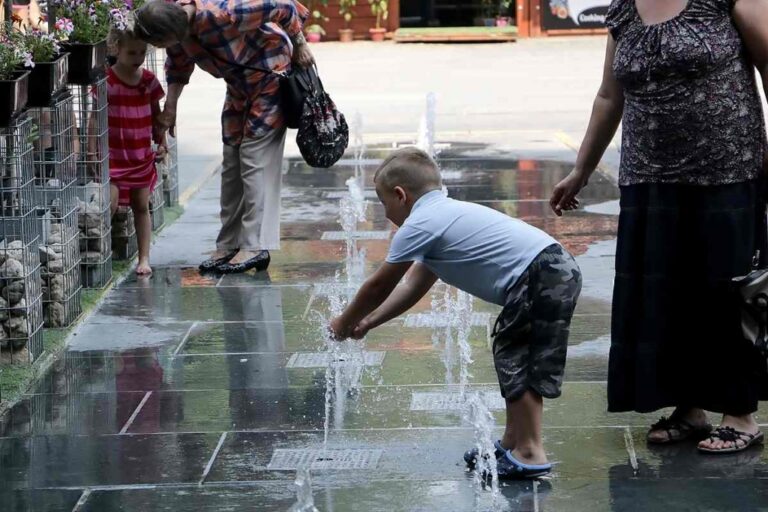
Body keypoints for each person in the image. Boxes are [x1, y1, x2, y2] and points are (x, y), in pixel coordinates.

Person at [549, 0, 768, 453]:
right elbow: (610, 96)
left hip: (726, 169)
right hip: (649, 175)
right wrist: (581, 170)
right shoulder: (624, 9)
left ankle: (740, 413)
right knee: (666, 292)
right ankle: (689, 407)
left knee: (725, 293)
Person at [329, 148, 582, 478]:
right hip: (552, 268)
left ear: (400, 195)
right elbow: (412, 286)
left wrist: (343, 322)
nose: (384, 210)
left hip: (540, 274)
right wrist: (368, 323)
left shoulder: (418, 224)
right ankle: (513, 440)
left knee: (520, 354)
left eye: (383, 202)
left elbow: (380, 285)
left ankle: (531, 451)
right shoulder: (443, 216)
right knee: (512, 349)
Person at [133, 0, 314, 274]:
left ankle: (255, 245)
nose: (158, 49)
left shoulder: (226, 13)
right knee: (232, 159)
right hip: (240, 86)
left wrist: (300, 44)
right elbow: (178, 66)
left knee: (255, 158)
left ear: (171, 30)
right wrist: (170, 110)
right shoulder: (179, 32)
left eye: (158, 44)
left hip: (271, 76)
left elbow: (284, 7)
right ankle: (230, 242)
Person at [102, 24, 167, 275]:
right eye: (132, 53)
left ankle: (144, 258)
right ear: (116, 48)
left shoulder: (149, 81)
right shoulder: (107, 81)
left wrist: (161, 143)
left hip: (140, 155)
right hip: (114, 156)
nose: (137, 59)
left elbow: (157, 117)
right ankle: (103, 252)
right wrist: (92, 151)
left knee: (142, 205)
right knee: (110, 203)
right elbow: (94, 121)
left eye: (141, 53)